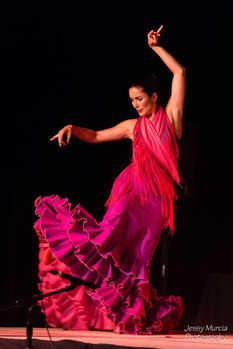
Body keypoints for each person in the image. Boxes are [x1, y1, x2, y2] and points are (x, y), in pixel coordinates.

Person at [34, 25, 186, 335]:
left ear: (154, 96)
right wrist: (73, 127)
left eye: (140, 98)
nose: (135, 104)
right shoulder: (133, 126)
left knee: (139, 257)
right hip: (132, 190)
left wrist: (155, 48)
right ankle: (74, 273)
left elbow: (180, 73)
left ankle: (130, 313)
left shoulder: (171, 118)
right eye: (132, 100)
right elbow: (98, 135)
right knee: (108, 234)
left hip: (157, 202)